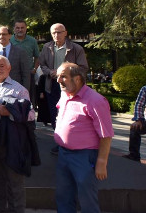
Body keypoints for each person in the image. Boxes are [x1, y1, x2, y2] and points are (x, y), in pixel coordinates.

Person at [0, 55, 37, 213]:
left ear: (9, 68)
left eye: (1, 66)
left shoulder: (18, 89)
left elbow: (31, 115)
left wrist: (10, 112)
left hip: (12, 143)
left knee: (15, 185)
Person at [53, 62, 113, 213]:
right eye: (58, 76)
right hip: (63, 154)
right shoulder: (65, 95)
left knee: (87, 201)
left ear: (78, 79)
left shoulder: (96, 100)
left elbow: (106, 134)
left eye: (63, 77)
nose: (58, 80)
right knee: (63, 197)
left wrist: (101, 161)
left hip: (85, 157)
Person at [39, 23, 88, 125]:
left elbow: (83, 67)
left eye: (59, 32)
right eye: (54, 33)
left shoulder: (76, 49)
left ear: (65, 33)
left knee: (69, 113)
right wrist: (50, 72)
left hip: (70, 86)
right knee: (54, 114)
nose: (56, 35)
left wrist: (66, 74)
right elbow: (42, 65)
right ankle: (58, 134)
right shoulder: (46, 47)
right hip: (52, 84)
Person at [0, 25, 29, 89]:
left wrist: (25, 90)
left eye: (4, 34)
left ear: (10, 35)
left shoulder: (20, 51)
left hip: (16, 88)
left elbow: (26, 74)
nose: (1, 37)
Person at [125, 84, 146, 162]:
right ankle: (134, 155)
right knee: (135, 128)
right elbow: (139, 105)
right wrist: (138, 120)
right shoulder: (145, 89)